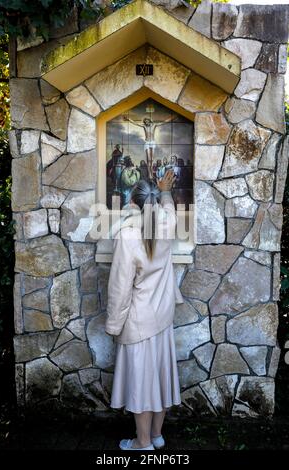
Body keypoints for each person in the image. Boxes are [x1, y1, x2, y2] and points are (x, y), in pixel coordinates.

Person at [105, 170, 184, 451]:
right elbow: (167, 209)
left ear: (134, 203)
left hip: (139, 323)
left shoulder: (128, 235)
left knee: (142, 384)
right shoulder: (167, 224)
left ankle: (142, 442)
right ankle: (157, 435)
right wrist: (164, 191)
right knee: (160, 379)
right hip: (162, 318)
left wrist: (113, 326)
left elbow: (120, 287)